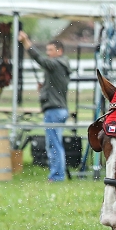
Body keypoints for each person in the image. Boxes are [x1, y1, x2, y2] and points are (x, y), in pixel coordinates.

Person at [18, 31, 70, 182]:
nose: (48, 54)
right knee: (56, 143)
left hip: (54, 110)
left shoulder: (56, 63)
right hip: (60, 108)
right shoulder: (61, 66)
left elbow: (40, 59)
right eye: (47, 50)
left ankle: (57, 176)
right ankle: (58, 173)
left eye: (50, 51)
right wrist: (45, 89)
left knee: (54, 145)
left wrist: (26, 42)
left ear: (59, 51)